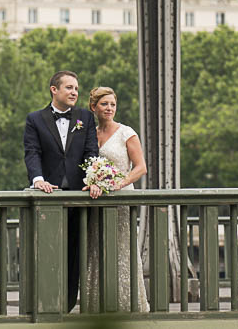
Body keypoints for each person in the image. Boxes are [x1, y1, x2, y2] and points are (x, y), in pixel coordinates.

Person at [23, 70, 101, 312]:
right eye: (69, 88)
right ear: (54, 90)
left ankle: (66, 306)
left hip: (79, 197)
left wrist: (94, 178)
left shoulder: (85, 118)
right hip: (49, 197)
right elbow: (32, 152)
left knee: (74, 255)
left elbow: (91, 151)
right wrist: (38, 179)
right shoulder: (35, 119)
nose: (74, 92)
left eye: (76, 88)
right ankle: (45, 304)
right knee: (46, 253)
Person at [85, 86, 149, 312]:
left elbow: (141, 168)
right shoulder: (89, 133)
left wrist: (116, 184)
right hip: (96, 201)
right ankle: (96, 304)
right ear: (94, 107)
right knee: (96, 247)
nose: (109, 108)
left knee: (123, 248)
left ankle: (128, 304)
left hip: (121, 198)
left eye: (112, 104)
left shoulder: (126, 132)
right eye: (104, 104)